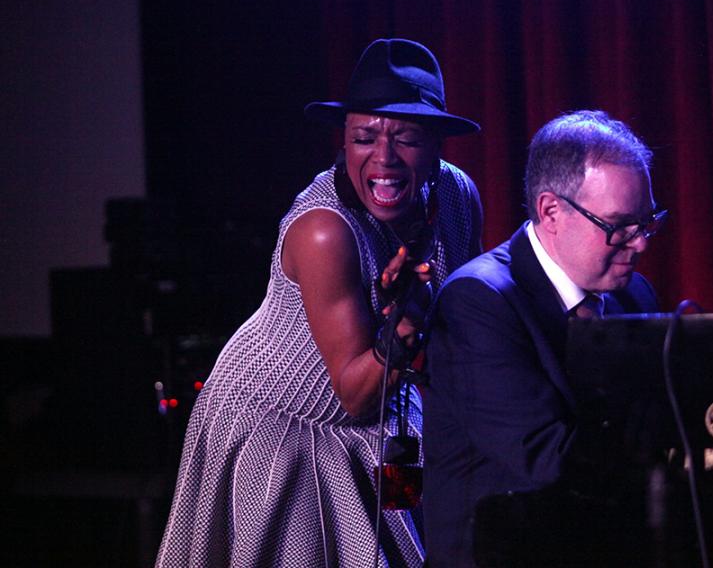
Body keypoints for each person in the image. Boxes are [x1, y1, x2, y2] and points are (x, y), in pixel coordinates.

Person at [155, 39, 482, 568]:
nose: (384, 158)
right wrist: (409, 319)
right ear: (345, 143)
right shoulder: (325, 231)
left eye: (406, 138)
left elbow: (460, 332)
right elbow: (353, 392)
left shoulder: (458, 198)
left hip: (388, 419)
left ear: (438, 146)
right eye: (364, 137)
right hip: (283, 426)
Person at [422, 110, 666, 567]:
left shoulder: (634, 292)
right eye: (619, 226)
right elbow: (545, 459)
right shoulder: (479, 301)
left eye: (647, 222)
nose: (640, 244)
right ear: (551, 212)